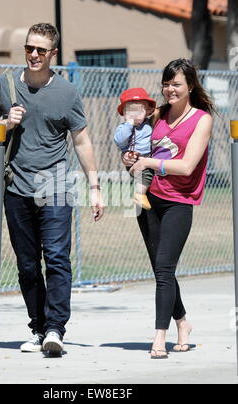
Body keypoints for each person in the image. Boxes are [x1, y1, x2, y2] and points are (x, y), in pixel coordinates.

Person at [0, 23, 104, 355]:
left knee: (58, 258)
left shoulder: (67, 93)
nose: (33, 55)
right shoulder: (3, 86)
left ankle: (55, 330)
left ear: (53, 55)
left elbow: (81, 140)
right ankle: (38, 326)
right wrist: (6, 123)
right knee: (28, 263)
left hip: (56, 184)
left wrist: (94, 186)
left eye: (40, 50)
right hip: (15, 186)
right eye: (29, 48)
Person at [122, 58, 214, 359]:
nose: (169, 89)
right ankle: (183, 323)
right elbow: (141, 155)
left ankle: (159, 338)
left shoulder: (202, 119)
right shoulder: (157, 114)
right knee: (162, 270)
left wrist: (150, 162)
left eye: (176, 84)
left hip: (179, 202)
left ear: (190, 86)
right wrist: (132, 161)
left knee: (163, 269)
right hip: (148, 200)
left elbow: (187, 167)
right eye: (166, 83)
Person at [114, 88, 156, 211]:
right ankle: (139, 194)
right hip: (134, 158)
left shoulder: (150, 124)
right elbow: (119, 141)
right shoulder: (123, 127)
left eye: (138, 111)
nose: (134, 115)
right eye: (130, 112)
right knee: (146, 174)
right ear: (124, 114)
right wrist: (129, 124)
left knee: (149, 172)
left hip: (149, 156)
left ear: (147, 112)